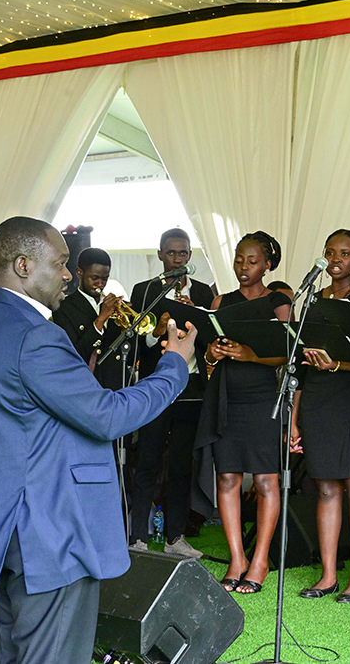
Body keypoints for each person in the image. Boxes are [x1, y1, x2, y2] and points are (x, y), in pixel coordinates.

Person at [0, 216, 194, 664]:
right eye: (60, 263)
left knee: (15, 652)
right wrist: (174, 365)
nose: (67, 275)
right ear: (23, 265)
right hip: (49, 532)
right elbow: (106, 416)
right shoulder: (35, 335)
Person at [196, 231, 291, 595]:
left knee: (266, 481)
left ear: (267, 264)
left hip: (263, 398)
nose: (243, 268)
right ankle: (237, 558)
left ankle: (261, 559)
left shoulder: (278, 301)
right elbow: (207, 354)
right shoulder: (221, 301)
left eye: (252, 261)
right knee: (228, 479)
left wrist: (252, 356)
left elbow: (289, 351)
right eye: (239, 260)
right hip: (226, 397)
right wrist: (211, 355)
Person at [290, 229, 350, 602]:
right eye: (330, 252)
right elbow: (300, 366)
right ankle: (328, 575)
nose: (336, 258)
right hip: (316, 399)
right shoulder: (313, 299)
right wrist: (294, 418)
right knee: (326, 486)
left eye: (345, 252)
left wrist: (336, 364)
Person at [129, 228, 215, 558]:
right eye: (171, 253)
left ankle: (175, 537)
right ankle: (138, 537)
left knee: (182, 466)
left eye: (184, 253)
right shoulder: (145, 291)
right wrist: (156, 327)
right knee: (148, 460)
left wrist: (197, 319)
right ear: (160, 255)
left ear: (190, 257)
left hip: (192, 387)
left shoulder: (205, 292)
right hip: (155, 387)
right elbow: (137, 343)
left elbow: (210, 341)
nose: (178, 259)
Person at [52, 247, 131, 391]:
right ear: (79, 273)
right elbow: (74, 354)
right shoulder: (64, 308)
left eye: (105, 278)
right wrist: (100, 320)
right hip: (87, 386)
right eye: (94, 278)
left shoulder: (115, 305)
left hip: (119, 385)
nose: (100, 284)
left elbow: (130, 352)